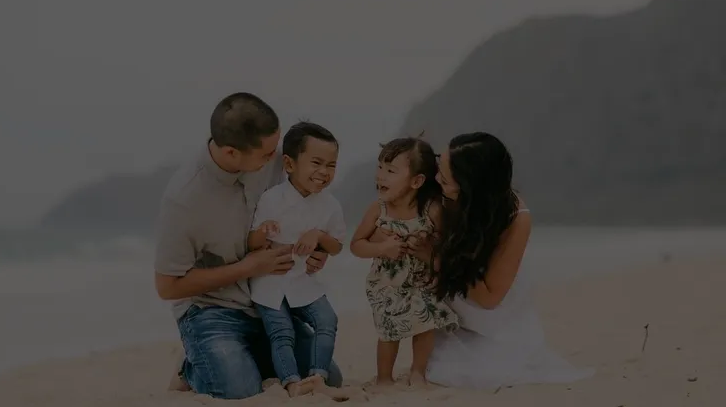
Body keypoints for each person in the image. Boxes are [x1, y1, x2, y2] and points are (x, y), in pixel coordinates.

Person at [152, 92, 343, 400]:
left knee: (330, 377)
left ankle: (244, 357)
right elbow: (167, 287)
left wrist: (318, 250)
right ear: (231, 153)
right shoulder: (184, 200)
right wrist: (248, 267)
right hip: (212, 309)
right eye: (268, 154)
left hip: (268, 302)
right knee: (238, 389)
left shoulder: (273, 159)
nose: (277, 158)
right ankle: (190, 366)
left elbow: (307, 207)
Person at [391, 131, 594, 389]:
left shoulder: (515, 217)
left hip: (487, 305)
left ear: (470, 189)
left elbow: (489, 298)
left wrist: (435, 258)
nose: (436, 179)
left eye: (445, 179)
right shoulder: (440, 191)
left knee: (475, 369)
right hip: (451, 290)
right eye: (440, 165)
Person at [247, 121, 348, 400]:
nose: (324, 172)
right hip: (270, 283)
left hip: (303, 280)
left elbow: (337, 246)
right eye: (316, 163)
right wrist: (263, 231)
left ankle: (318, 376)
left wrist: (319, 236)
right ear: (290, 164)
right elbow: (251, 242)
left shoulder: (330, 205)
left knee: (327, 319)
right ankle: (291, 383)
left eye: (331, 165)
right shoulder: (271, 199)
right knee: (282, 332)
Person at [350, 137, 459, 388]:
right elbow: (356, 245)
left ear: (416, 181)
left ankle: (418, 372)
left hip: (421, 280)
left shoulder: (431, 210)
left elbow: (445, 245)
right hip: (387, 284)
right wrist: (381, 248)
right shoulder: (378, 210)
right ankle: (384, 377)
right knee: (388, 330)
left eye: (391, 171)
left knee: (425, 324)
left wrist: (430, 250)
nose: (381, 176)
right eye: (380, 167)